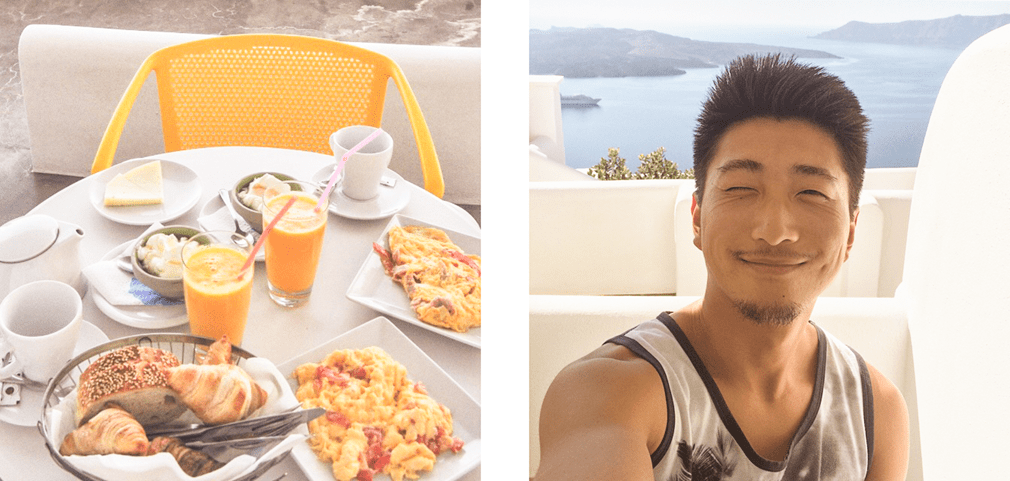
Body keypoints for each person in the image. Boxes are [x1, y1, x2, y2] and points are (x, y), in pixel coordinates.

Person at [533, 54, 909, 480]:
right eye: (741, 189)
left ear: (852, 232)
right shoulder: (610, 393)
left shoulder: (875, 413)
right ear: (697, 218)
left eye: (811, 192)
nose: (775, 230)